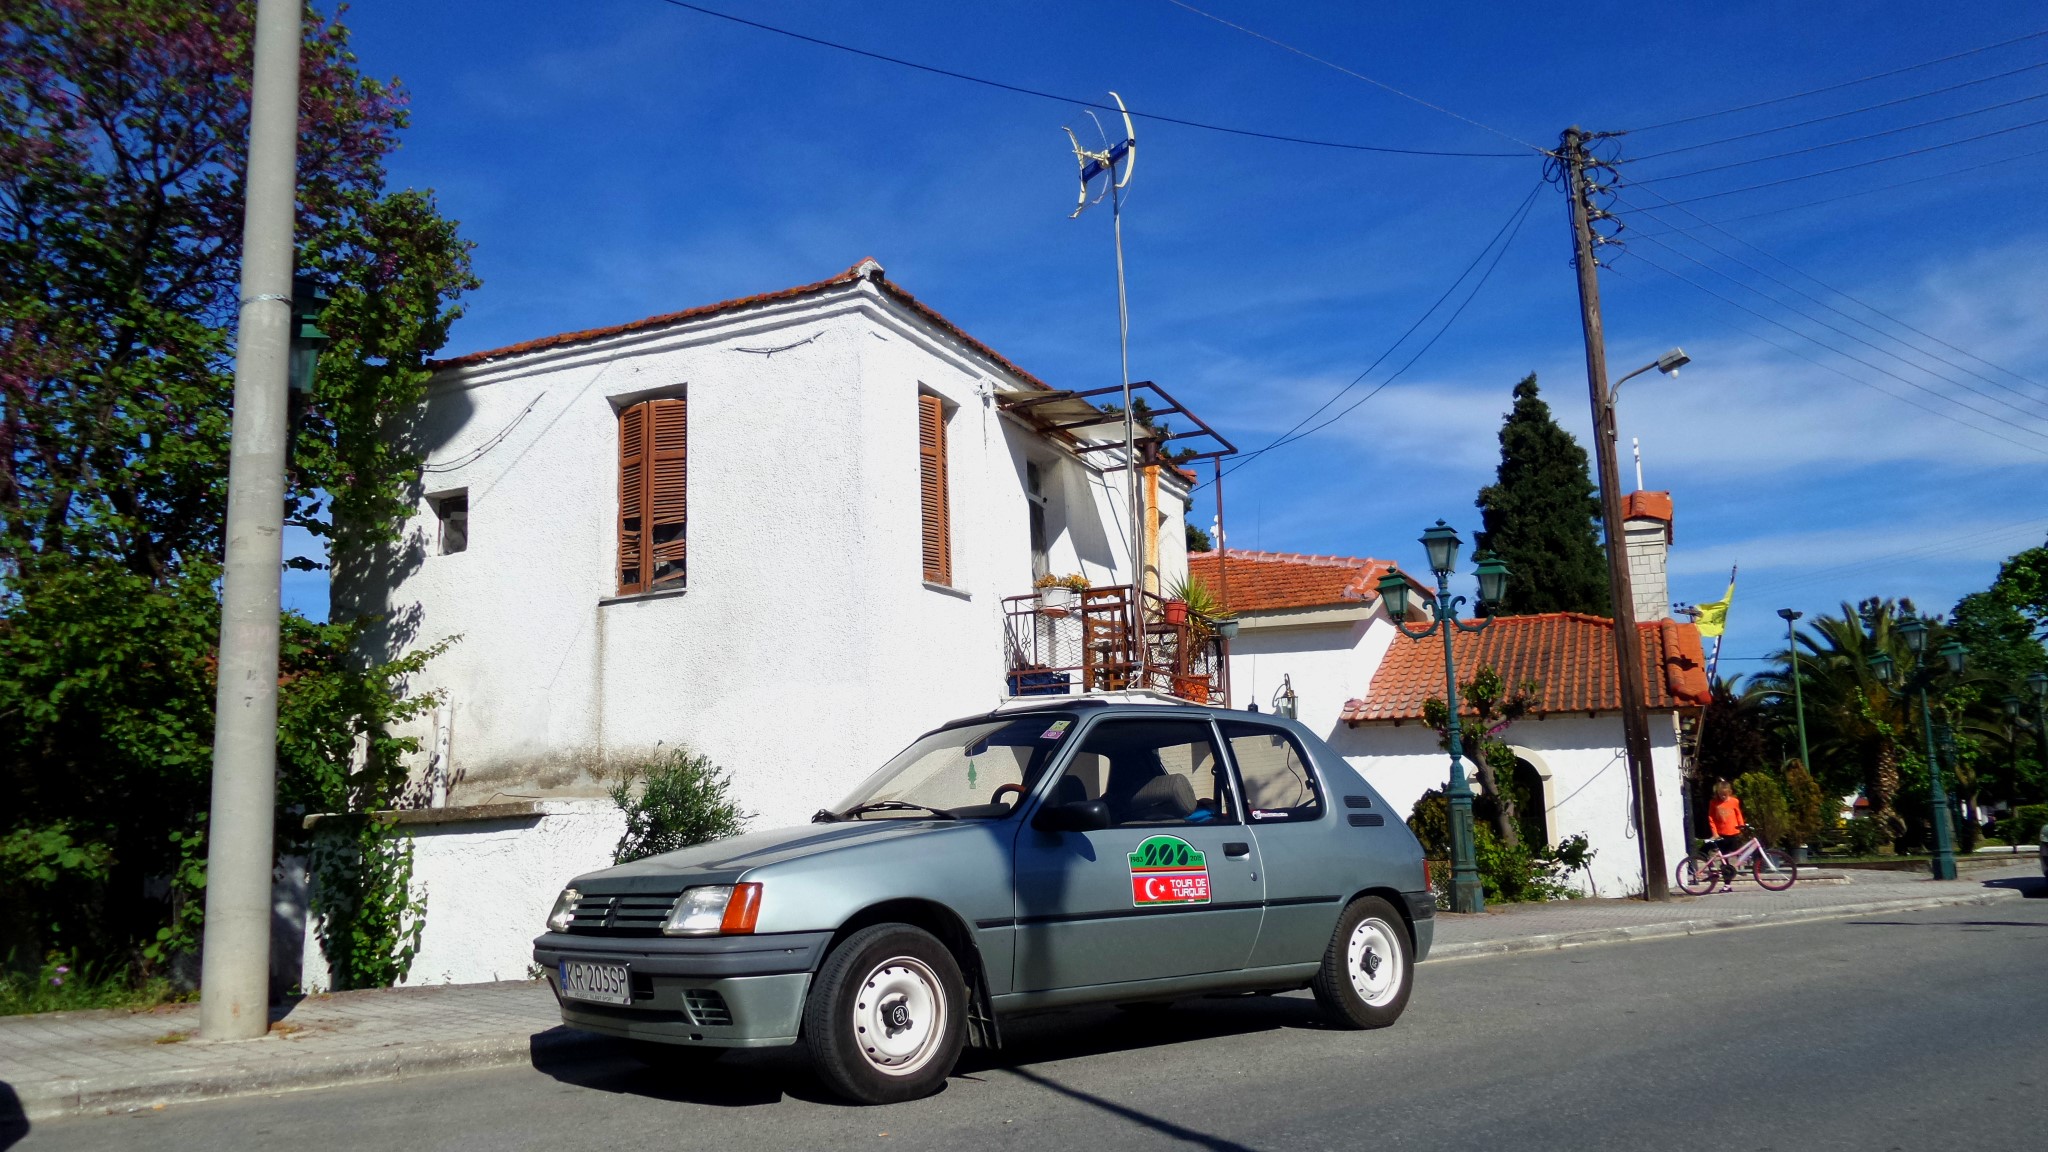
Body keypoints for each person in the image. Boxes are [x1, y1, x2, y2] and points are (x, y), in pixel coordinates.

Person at [1706, 780, 1748, 893]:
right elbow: (1711, 818)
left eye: (1725, 794)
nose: (1723, 797)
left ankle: (1738, 870)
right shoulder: (1714, 803)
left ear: (1729, 792)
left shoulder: (1734, 801)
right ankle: (1727, 884)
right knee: (1724, 861)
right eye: (1721, 794)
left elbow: (1738, 814)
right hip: (1721, 834)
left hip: (1734, 832)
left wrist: (1741, 825)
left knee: (1736, 854)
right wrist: (1714, 832)